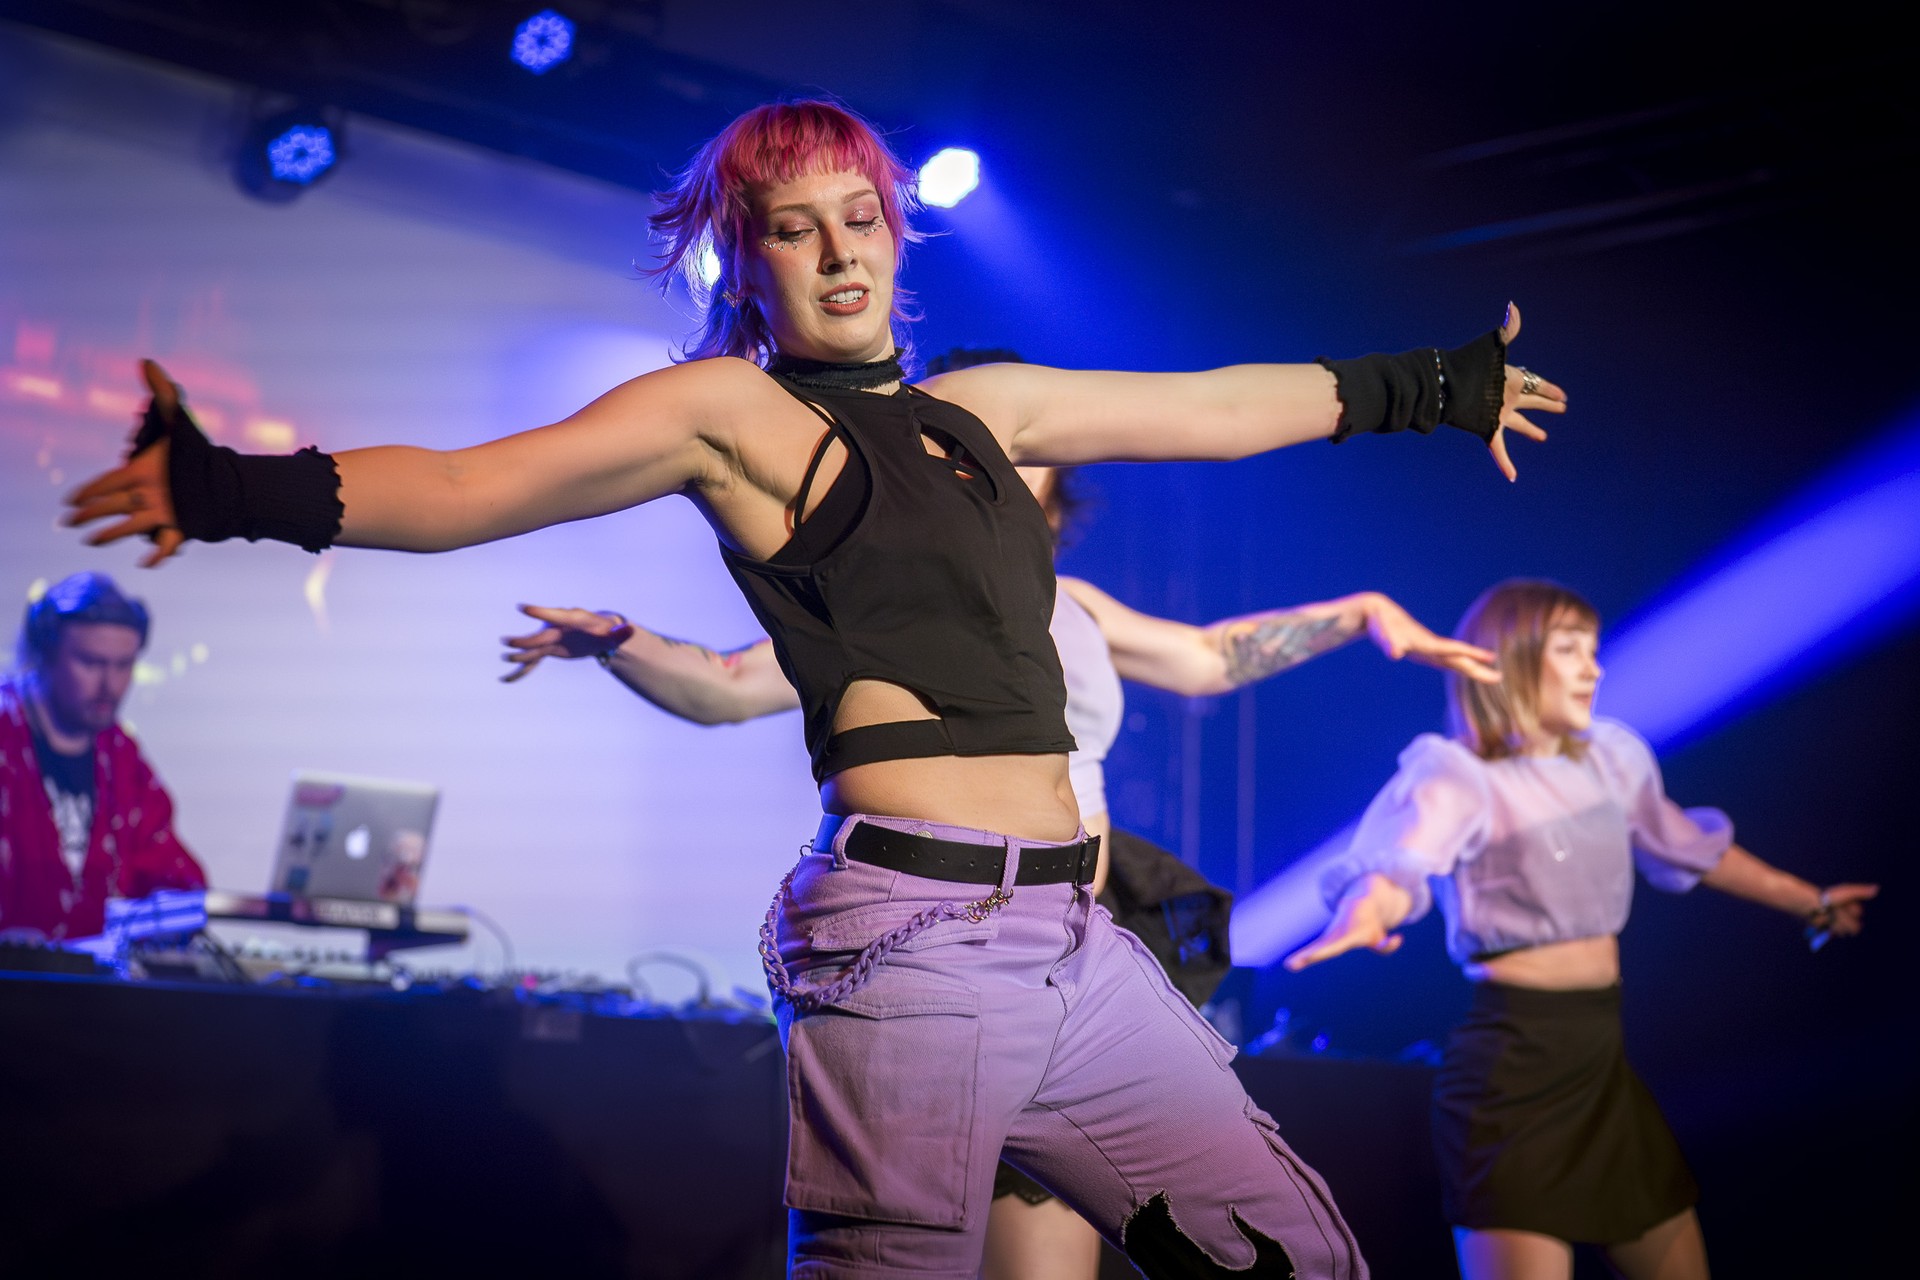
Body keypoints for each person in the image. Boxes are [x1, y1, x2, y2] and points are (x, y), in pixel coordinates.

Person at [64, 99, 1566, 1278]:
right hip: (909, 945)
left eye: (862, 219)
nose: (842, 254)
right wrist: (224, 486)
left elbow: (1219, 409)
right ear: (745, 258)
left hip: (1078, 941)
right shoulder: (732, 415)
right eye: (796, 229)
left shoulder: (983, 409)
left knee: (1295, 1256)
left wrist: (1437, 386)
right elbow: (470, 486)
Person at [498, 451, 1501, 1280]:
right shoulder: (887, 597)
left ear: (1052, 477)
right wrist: (623, 641)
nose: (985, 455)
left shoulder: (1077, 604)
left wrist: (1360, 611)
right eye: (952, 437)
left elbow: (1208, 657)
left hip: (1079, 956)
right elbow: (727, 684)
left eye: (1016, 440)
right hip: (944, 954)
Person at [1284, 579, 1876, 1280]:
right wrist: (1365, 913)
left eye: (1593, 651)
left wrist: (1811, 901)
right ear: (1509, 658)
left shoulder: (1611, 759)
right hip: (1513, 1073)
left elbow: (1688, 846)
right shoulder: (1458, 774)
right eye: (1569, 650)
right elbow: (1398, 863)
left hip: (1601, 1062)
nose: (1593, 669)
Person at [0, 572, 207, 941]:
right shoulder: (6, 735)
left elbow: (170, 873)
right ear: (44, 655)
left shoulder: (120, 755)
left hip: (90, 977)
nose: (110, 685)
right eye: (91, 663)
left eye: (124, 665)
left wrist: (165, 918)